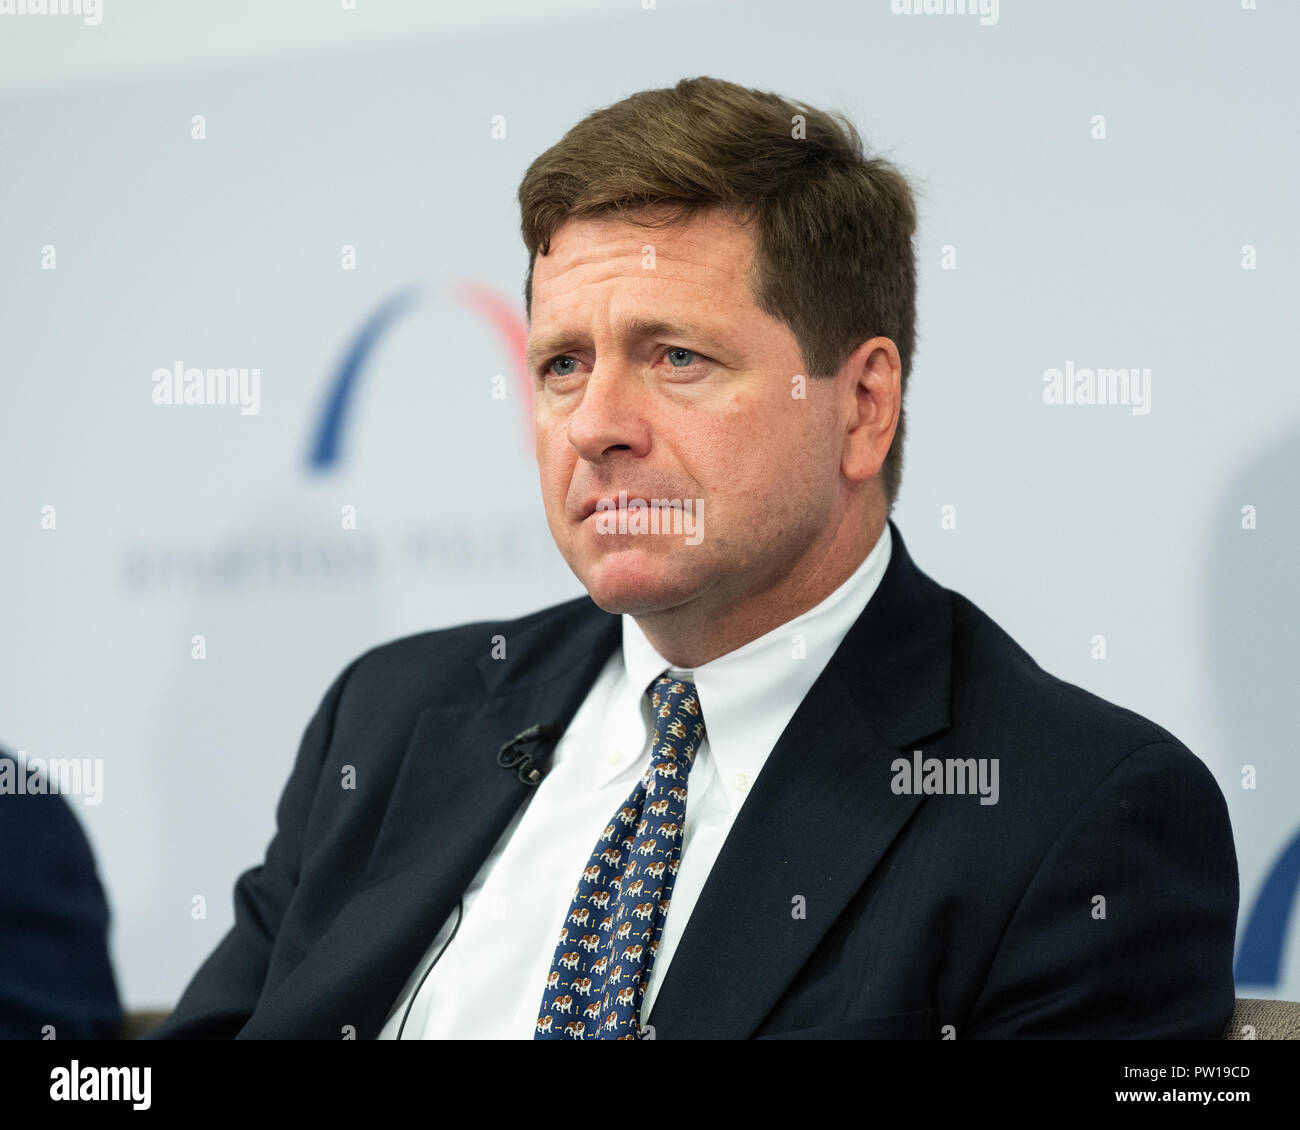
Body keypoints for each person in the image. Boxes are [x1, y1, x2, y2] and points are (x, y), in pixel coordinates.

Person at [154, 76, 1237, 1040]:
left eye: (675, 356)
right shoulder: (389, 718)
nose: (595, 424)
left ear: (862, 406)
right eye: (563, 363)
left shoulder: (1077, 816)